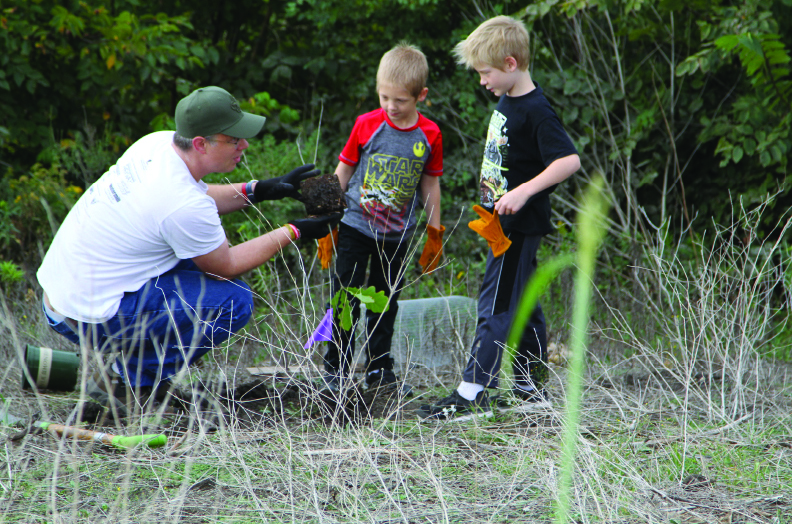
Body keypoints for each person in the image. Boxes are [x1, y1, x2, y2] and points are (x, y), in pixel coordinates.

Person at [36, 86, 340, 416]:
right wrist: (295, 230)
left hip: (66, 292)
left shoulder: (159, 144)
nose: (244, 145)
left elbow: (199, 193)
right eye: (234, 139)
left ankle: (134, 375)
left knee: (194, 270)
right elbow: (227, 264)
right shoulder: (180, 204)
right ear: (200, 143)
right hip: (85, 314)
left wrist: (259, 190)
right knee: (232, 300)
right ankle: (132, 386)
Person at [421, 16, 581, 420]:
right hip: (502, 226)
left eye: (485, 72)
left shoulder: (536, 109)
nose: (482, 81)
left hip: (518, 227)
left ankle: (472, 391)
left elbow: (568, 160)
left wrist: (525, 191)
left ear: (511, 64)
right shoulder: (508, 100)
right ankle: (530, 388)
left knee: (494, 303)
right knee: (523, 305)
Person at [320, 43, 444, 396]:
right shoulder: (367, 125)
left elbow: (430, 183)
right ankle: (335, 368)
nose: (391, 106)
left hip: (396, 236)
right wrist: (327, 220)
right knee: (343, 298)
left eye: (400, 100)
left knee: (384, 304)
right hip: (356, 225)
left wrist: (434, 232)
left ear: (421, 95)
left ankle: (379, 371)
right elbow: (343, 171)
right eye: (384, 96)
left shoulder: (429, 135)